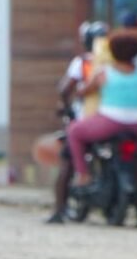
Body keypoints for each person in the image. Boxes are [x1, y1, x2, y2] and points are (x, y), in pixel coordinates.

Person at [39, 20, 108, 224]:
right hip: (114, 118)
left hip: (86, 119)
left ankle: (59, 210)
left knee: (68, 162)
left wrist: (64, 105)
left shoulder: (83, 62)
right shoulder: (116, 61)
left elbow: (64, 89)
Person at [68, 29, 137, 190]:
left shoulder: (105, 72)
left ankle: (83, 174)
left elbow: (85, 91)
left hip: (110, 121)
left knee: (74, 132)